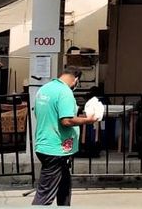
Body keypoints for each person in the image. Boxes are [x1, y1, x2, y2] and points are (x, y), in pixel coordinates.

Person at [32, 66, 99, 206]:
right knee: (45, 195)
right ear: (76, 80)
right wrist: (88, 120)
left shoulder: (45, 89)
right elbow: (66, 120)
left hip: (45, 144)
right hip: (56, 149)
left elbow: (40, 113)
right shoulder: (65, 92)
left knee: (64, 187)